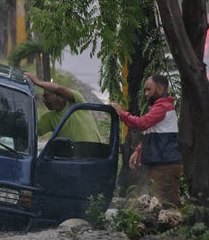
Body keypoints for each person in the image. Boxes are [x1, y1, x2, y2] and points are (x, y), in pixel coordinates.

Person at [110, 74, 183, 208]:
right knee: (162, 203)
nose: (146, 94)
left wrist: (121, 113)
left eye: (149, 89)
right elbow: (153, 133)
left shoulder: (162, 107)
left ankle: (176, 227)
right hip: (162, 164)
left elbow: (141, 124)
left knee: (168, 204)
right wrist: (138, 151)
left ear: (160, 89)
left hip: (165, 166)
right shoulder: (160, 106)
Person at [24, 72, 102, 143]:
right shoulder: (49, 118)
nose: (44, 101)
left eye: (46, 96)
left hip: (96, 154)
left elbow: (58, 89)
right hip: (75, 157)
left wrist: (37, 82)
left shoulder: (77, 101)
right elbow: (31, 131)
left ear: (58, 95)